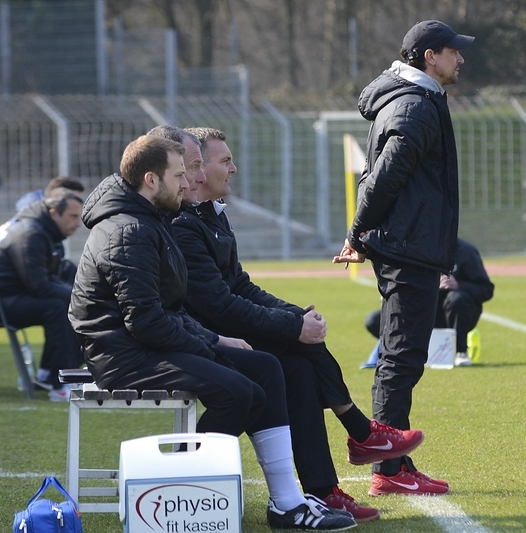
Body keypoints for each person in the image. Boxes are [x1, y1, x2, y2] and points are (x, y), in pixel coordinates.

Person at [67, 136, 355, 531]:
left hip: (143, 344)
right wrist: (211, 342)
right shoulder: (129, 230)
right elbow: (146, 322)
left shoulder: (150, 220)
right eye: (179, 175)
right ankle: (172, 491)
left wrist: (215, 340)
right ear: (151, 180)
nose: (188, 183)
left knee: (265, 368)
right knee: (239, 392)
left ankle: (286, 504)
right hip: (122, 356)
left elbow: (169, 310)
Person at [172, 127, 424, 519]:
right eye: (226, 161)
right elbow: (217, 307)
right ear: (197, 170)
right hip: (209, 338)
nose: (233, 168)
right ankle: (360, 431)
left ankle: (325, 490)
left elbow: (240, 285)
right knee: (295, 349)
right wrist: (292, 327)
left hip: (224, 330)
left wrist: (294, 315)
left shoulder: (212, 217)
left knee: (300, 368)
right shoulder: (184, 225)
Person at [332, 20, 474, 495]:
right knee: (401, 356)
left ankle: (393, 463)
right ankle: (389, 470)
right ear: (430, 56)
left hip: (410, 244)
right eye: (453, 51)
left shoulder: (415, 100)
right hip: (408, 247)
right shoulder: (414, 106)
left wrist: (362, 233)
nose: (460, 59)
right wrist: (357, 232)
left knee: (404, 354)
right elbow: (384, 178)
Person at [0, 188, 84, 400]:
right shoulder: (31, 234)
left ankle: (48, 375)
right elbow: (39, 285)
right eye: (73, 216)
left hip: (13, 296)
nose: (78, 223)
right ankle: (61, 384)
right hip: (4, 302)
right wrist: (81, 299)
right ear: (54, 213)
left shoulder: (43, 230)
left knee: (68, 282)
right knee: (58, 307)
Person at [362, 237, 494, 368]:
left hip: (454, 313)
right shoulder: (416, 249)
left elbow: (486, 289)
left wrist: (458, 285)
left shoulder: (465, 251)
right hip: (422, 310)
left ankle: (460, 351)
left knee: (456, 299)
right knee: (374, 320)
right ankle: (404, 352)